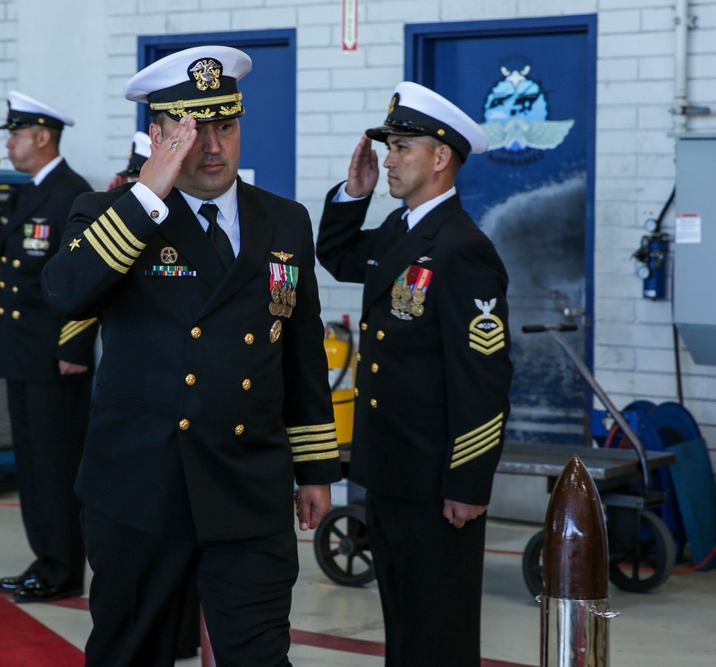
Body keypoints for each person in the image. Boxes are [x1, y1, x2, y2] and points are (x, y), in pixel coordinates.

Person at [43, 45, 342, 666]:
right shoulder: (110, 214)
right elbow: (66, 293)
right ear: (157, 135)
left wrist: (314, 469)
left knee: (259, 656)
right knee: (133, 652)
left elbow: (302, 353)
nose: (211, 146)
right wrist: (150, 189)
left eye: (224, 127)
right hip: (142, 487)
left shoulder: (284, 221)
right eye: (190, 129)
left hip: (248, 483)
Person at [316, 81, 514, 666]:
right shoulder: (403, 232)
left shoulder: (461, 249)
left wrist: (468, 484)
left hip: (435, 480)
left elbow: (483, 379)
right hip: (391, 468)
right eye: (389, 146)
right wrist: (354, 196)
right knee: (404, 617)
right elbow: (339, 254)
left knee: (440, 627)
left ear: (441, 156)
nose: (390, 158)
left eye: (403, 146)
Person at [0, 90, 96, 603]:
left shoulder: (71, 195)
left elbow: (89, 279)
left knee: (56, 468)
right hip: (23, 353)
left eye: (16, 134)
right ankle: (47, 560)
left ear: (42, 136)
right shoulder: (26, 192)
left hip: (56, 356)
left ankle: (62, 568)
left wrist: (77, 348)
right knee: (35, 468)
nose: (11, 144)